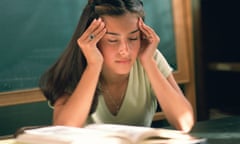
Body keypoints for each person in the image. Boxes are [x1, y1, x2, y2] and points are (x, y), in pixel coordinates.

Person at [39, 0, 194, 132]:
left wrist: (149, 62)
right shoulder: (76, 66)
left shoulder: (149, 56)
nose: (125, 50)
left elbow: (185, 123)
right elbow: (64, 130)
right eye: (113, 40)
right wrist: (94, 65)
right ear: (93, 39)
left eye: (133, 38)